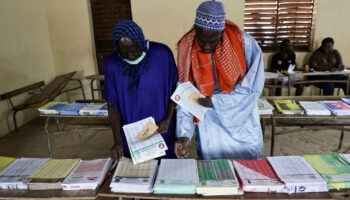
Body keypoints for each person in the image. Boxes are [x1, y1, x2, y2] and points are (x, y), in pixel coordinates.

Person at [175, 1, 264, 160]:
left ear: (222, 33)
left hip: (241, 117)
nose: (206, 47)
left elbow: (253, 88)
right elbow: (185, 92)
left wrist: (217, 101)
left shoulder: (244, 43)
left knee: (247, 170)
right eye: (202, 40)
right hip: (209, 123)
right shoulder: (186, 47)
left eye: (212, 41)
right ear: (195, 30)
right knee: (215, 173)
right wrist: (184, 134)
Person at [104, 20, 178, 160]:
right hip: (132, 139)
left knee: (166, 175)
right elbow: (112, 104)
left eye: (135, 51)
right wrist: (117, 140)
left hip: (162, 131)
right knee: (137, 177)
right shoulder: (112, 64)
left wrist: (168, 119)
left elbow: (175, 89)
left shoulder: (161, 55)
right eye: (125, 53)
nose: (131, 56)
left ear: (141, 42)